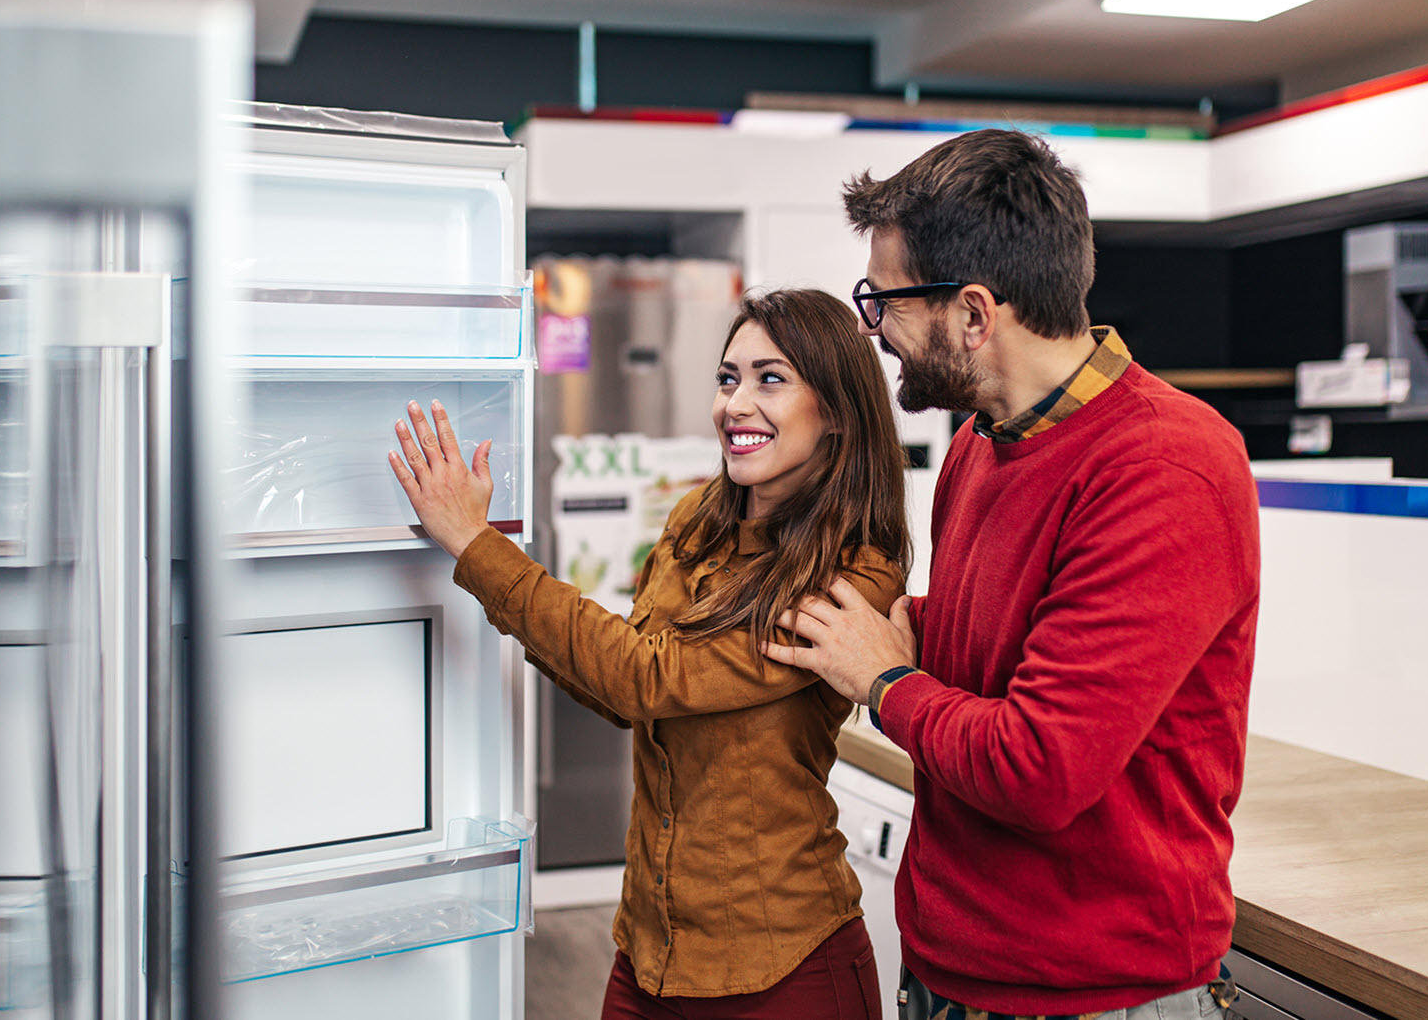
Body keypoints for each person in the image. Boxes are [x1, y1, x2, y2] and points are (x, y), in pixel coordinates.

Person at [761, 129, 1261, 1020]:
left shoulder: (1166, 468)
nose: (877, 333)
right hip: (954, 967)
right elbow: (986, 639)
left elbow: (1039, 768)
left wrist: (882, 676)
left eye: (886, 304)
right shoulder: (981, 445)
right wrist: (877, 617)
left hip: (1095, 995)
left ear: (974, 315)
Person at [388, 288, 910, 1020]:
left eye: (771, 378)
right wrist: (497, 598)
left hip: (784, 967)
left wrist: (480, 550)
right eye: (728, 378)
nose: (735, 403)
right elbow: (622, 692)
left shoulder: (849, 576)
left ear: (835, 414)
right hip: (650, 950)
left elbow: (646, 677)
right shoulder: (697, 517)